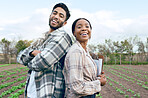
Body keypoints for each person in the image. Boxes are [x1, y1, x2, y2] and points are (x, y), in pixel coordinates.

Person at [17, 3, 72, 98]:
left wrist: (28, 61)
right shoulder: (42, 39)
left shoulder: (63, 37)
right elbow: (20, 58)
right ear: (50, 15)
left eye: (61, 16)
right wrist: (33, 53)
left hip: (48, 93)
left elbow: (43, 62)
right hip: (32, 92)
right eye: (54, 13)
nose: (56, 16)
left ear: (65, 23)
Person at [63, 18, 107, 98]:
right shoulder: (76, 51)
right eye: (79, 27)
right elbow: (77, 87)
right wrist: (99, 82)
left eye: (87, 26)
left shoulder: (85, 51)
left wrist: (98, 77)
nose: (84, 29)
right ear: (74, 33)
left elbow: (86, 78)